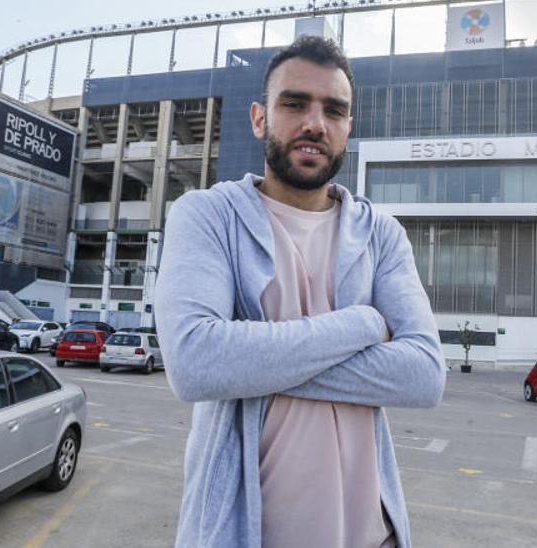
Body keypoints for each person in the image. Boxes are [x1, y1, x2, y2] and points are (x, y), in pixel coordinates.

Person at [155, 36, 446, 548]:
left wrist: (253, 363)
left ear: (347, 128)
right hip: (243, 535)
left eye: (333, 110)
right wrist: (364, 323)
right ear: (259, 118)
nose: (315, 122)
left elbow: (423, 374)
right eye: (294, 103)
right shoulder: (207, 216)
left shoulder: (380, 233)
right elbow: (196, 362)